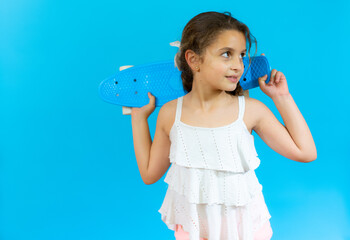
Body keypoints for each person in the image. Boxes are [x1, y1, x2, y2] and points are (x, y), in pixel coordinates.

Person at [130, 11, 317, 240]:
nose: (238, 65)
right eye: (227, 54)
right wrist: (138, 119)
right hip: (194, 233)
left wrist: (282, 97)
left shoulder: (250, 109)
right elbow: (149, 174)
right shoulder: (170, 114)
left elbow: (306, 152)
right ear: (193, 60)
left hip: (247, 232)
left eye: (242, 55)